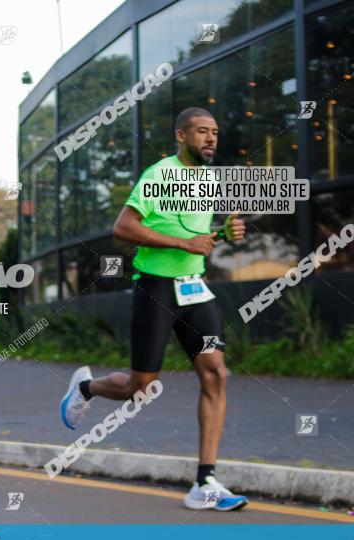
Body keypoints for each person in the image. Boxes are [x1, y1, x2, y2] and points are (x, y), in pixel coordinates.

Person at [59, 108, 248, 512]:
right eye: (202, 132)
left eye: (215, 132)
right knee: (140, 388)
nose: (211, 138)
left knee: (215, 372)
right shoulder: (160, 175)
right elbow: (124, 228)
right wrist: (183, 244)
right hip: (155, 290)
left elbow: (199, 233)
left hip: (195, 290)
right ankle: (85, 388)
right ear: (182, 135)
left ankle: (205, 482)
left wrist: (226, 234)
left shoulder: (210, 179)